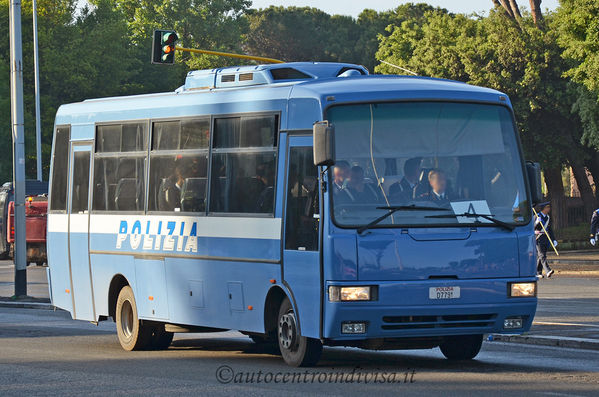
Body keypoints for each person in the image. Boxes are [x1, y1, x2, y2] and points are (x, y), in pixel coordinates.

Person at [535, 202, 557, 278]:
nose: (549, 209)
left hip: (546, 238)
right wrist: (536, 223)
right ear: (543, 208)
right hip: (538, 238)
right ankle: (548, 270)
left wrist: (553, 239)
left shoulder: (548, 217)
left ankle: (538, 272)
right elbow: (531, 228)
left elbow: (550, 229)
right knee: (542, 255)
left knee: (541, 256)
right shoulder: (537, 216)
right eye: (547, 207)